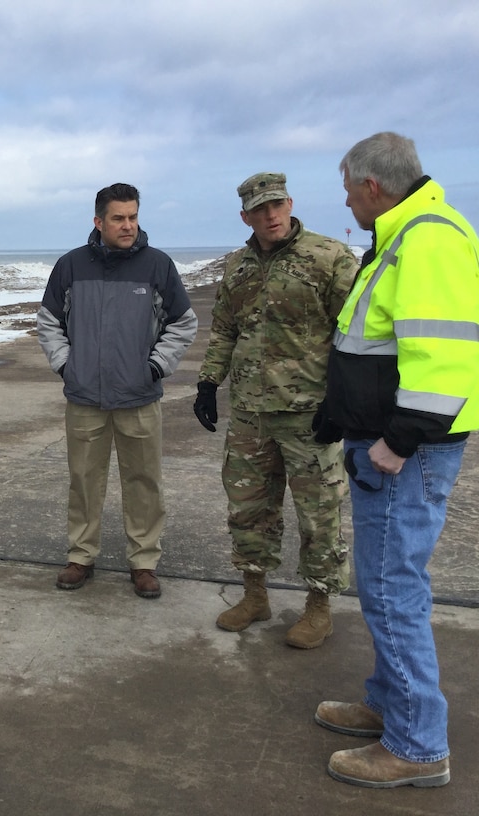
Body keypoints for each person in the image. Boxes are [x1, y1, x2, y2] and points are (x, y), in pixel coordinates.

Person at [313, 132, 479, 788]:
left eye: (349, 189)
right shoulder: (406, 233)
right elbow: (375, 341)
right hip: (387, 442)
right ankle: (389, 703)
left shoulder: (429, 239)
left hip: (406, 451)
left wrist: (397, 441)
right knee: (382, 580)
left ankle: (417, 745)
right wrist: (340, 415)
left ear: (372, 187)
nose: (347, 201)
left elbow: (443, 358)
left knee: (390, 587)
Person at [194, 172, 358, 648]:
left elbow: (354, 334)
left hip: (311, 414)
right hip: (250, 411)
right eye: (260, 209)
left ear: (290, 203)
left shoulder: (329, 258)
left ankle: (319, 606)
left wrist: (343, 400)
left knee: (319, 515)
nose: (271, 216)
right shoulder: (238, 266)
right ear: (245, 215)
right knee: (248, 510)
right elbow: (225, 327)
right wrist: (208, 382)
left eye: (277, 205)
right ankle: (255, 594)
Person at [37, 183, 197, 598]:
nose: (128, 226)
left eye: (133, 217)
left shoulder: (158, 266)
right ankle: (80, 556)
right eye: (118, 218)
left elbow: (183, 323)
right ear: (98, 221)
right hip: (85, 396)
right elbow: (48, 320)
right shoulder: (71, 266)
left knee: (144, 482)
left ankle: (144, 563)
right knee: (84, 480)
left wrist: (155, 367)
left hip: (139, 397)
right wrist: (66, 365)